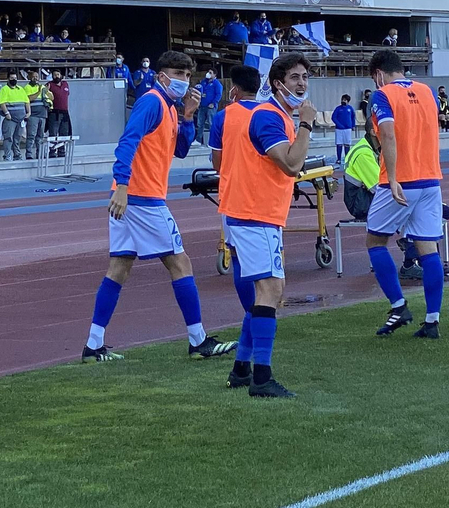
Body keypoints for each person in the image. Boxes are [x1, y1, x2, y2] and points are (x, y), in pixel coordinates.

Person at [83, 50, 234, 362]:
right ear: (162, 76)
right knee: (181, 264)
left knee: (119, 268)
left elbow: (179, 149)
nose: (184, 81)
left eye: (187, 76)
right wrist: (122, 186)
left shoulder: (168, 107)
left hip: (134, 198)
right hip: (142, 199)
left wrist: (189, 116)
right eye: (178, 75)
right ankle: (198, 340)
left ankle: (93, 344)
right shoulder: (152, 101)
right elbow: (127, 141)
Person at [213, 54, 315, 398]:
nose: (301, 83)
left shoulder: (272, 115)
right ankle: (261, 378)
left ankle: (242, 369)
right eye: (295, 77)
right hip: (255, 215)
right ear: (277, 83)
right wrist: (307, 125)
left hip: (253, 213)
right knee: (271, 291)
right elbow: (290, 164)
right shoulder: (270, 117)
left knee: (263, 294)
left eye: (305, 77)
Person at [366, 49, 447, 339]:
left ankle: (399, 306)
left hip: (401, 180)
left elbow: (387, 134)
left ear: (378, 75)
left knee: (375, 240)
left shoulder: (383, 95)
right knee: (428, 248)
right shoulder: (427, 91)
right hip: (430, 180)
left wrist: (393, 177)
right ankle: (432, 320)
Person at [0, 72, 29, 161]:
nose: (14, 80)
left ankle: (17, 155)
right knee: (8, 137)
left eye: (15, 78)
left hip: (21, 118)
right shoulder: (4, 89)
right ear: (8, 79)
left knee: (17, 138)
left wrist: (28, 112)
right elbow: (1, 103)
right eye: (11, 78)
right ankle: (7, 156)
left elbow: (27, 102)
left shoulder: (21, 89)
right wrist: (7, 113)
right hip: (10, 119)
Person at [24, 69, 49, 160]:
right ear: (30, 77)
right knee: (31, 136)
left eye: (37, 76)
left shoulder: (42, 87)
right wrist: (39, 92)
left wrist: (47, 91)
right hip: (33, 115)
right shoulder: (27, 87)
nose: (36, 78)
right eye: (34, 76)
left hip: (43, 115)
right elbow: (28, 99)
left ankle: (40, 154)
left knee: (40, 136)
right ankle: (29, 155)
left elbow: (51, 97)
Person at [194, 68, 222, 143]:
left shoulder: (217, 84)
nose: (208, 73)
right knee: (200, 123)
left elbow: (218, 94)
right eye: (208, 72)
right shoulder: (203, 82)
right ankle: (198, 140)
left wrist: (213, 103)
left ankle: (213, 141)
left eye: (210, 72)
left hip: (211, 107)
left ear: (214, 75)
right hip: (202, 106)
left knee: (211, 124)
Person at [332, 94, 357, 164]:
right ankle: (339, 159)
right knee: (339, 144)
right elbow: (333, 118)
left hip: (348, 129)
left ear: (348, 101)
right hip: (339, 129)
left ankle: (347, 158)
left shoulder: (350, 108)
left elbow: (353, 117)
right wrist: (339, 125)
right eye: (342, 99)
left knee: (347, 144)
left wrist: (353, 125)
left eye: (345, 100)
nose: (343, 101)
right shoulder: (338, 108)